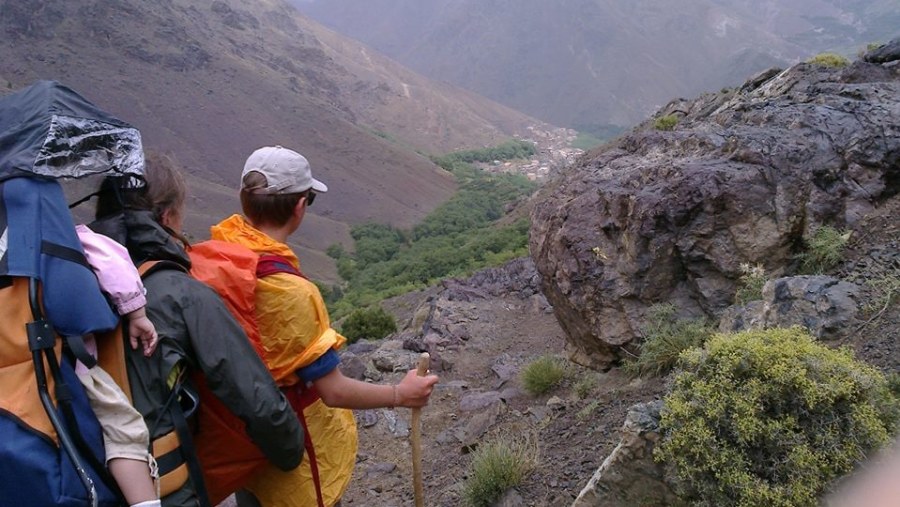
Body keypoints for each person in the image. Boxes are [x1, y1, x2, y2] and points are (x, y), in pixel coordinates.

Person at [209, 145, 439, 507]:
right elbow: (331, 391)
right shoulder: (292, 291)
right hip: (290, 451)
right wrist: (400, 394)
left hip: (239, 439)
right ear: (300, 207)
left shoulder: (214, 259)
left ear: (245, 201)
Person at [88, 152, 304, 507]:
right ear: (168, 217)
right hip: (164, 486)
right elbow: (256, 399)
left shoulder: (70, 279)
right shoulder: (181, 292)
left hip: (85, 476)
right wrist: (291, 451)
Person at [75, 224, 161, 507]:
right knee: (123, 428)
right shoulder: (50, 227)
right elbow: (109, 259)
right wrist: (137, 313)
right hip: (64, 364)